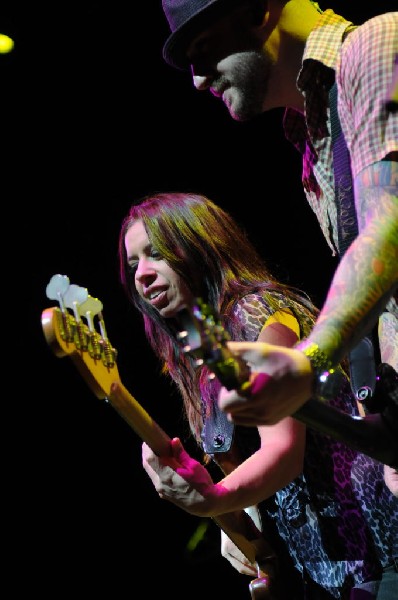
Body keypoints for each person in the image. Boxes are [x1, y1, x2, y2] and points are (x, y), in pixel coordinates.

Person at [159, 0, 398, 510]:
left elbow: (389, 232)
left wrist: (309, 361)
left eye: (204, 50)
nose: (199, 81)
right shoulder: (310, 140)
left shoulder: (376, 45)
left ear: (255, 10)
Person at [118, 191, 398, 599]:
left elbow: (283, 451)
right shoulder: (199, 354)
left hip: (375, 555)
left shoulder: (255, 310)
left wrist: (213, 501)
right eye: (132, 264)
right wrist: (243, 521)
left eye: (156, 253)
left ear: (201, 244)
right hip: (331, 574)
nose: (141, 274)